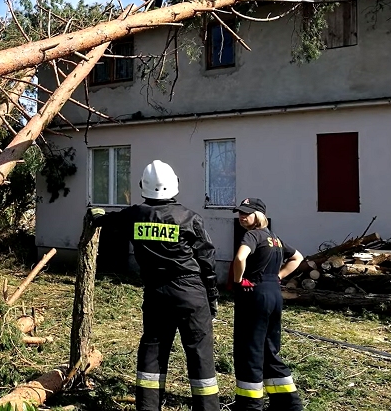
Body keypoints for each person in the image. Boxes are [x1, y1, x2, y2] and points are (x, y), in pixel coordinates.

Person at [90, 160, 219, 411]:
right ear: (175, 185)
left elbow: (109, 220)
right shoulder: (190, 218)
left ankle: (148, 407)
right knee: (200, 353)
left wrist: (97, 215)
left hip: (156, 292)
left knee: (153, 350)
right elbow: (207, 262)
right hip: (190, 292)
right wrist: (212, 296)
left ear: (142, 186)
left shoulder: (134, 215)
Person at [231, 198, 304, 411]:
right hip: (273, 293)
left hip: (254, 293)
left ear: (259, 215)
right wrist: (278, 276)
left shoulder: (252, 235)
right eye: (240, 213)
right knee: (270, 348)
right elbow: (297, 257)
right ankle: (288, 403)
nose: (242, 217)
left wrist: (238, 281)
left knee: (249, 348)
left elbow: (239, 258)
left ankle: (250, 404)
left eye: (247, 213)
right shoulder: (275, 239)